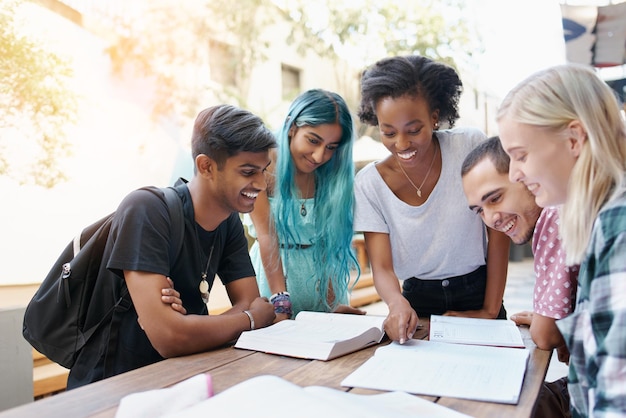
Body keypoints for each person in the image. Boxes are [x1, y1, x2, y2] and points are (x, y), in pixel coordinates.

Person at [67, 104, 277, 389]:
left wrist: (189, 326)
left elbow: (248, 303)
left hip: (183, 380)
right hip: (115, 389)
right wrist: (249, 320)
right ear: (206, 166)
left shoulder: (228, 223)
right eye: (248, 171)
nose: (261, 184)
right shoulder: (146, 209)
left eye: (263, 171)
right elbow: (169, 338)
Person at [497, 63, 626, 417]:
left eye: (520, 155)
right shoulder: (599, 218)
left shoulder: (618, 226)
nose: (514, 174)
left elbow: (615, 400)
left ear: (574, 139)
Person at [354, 55, 511, 344]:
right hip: (417, 302)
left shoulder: (469, 146)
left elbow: (498, 233)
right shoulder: (369, 184)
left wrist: (489, 310)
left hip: (479, 292)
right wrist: (396, 304)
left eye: (414, 130)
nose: (401, 144)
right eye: (388, 132)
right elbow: (383, 268)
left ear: (435, 116)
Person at [461, 136, 579, 418]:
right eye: (479, 210)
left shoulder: (554, 216)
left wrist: (547, 321)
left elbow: (544, 335)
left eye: (495, 198)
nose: (490, 219)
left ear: (526, 177)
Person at [243, 89, 363, 319]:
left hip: (323, 286)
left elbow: (331, 242)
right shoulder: (263, 165)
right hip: (273, 284)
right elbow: (267, 237)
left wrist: (333, 303)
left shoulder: (331, 173)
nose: (319, 156)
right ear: (292, 127)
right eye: (313, 141)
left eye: (331, 147)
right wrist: (280, 303)